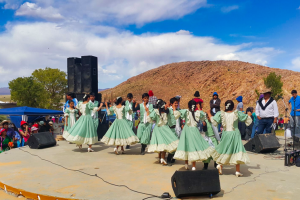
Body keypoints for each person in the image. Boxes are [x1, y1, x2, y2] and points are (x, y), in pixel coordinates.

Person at [207, 100, 252, 177]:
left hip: (225, 133)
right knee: (237, 150)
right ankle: (237, 171)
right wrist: (249, 115)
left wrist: (208, 113)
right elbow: (246, 119)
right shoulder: (236, 113)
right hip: (235, 133)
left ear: (225, 106)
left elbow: (214, 121)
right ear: (233, 107)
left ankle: (220, 165)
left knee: (224, 149)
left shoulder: (221, 114)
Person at [174, 100, 214, 171]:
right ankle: (193, 165)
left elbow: (176, 114)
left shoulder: (186, 111)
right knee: (194, 147)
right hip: (194, 131)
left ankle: (186, 163)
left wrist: (174, 108)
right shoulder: (198, 113)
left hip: (186, 131)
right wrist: (198, 108)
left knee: (186, 146)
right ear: (195, 106)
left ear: (188, 106)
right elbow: (203, 117)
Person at [147, 99, 180, 165]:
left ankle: (161, 158)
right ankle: (162, 158)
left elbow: (150, 117)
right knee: (164, 144)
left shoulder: (158, 111)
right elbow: (172, 117)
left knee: (161, 144)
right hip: (164, 128)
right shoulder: (166, 111)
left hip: (158, 129)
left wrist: (148, 112)